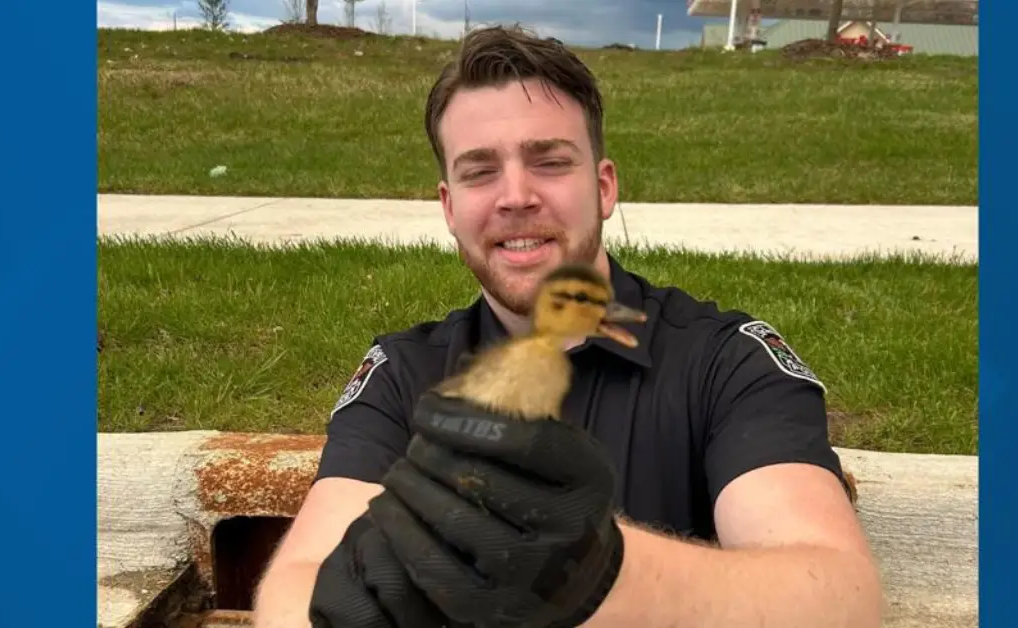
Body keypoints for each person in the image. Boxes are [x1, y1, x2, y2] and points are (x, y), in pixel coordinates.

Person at [253, 24, 882, 628]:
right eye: (479, 171)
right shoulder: (402, 375)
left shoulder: (727, 362)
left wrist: (597, 574)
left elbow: (838, 596)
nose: (515, 195)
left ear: (603, 187)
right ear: (449, 207)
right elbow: (298, 582)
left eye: (549, 162)